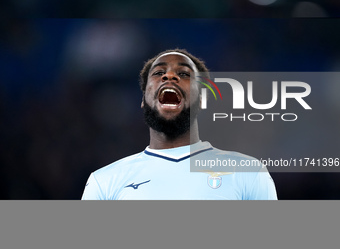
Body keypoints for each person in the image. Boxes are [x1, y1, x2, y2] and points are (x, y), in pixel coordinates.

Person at [81, 49, 277, 200]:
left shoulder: (248, 172)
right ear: (143, 99)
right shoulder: (104, 181)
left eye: (184, 74)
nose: (169, 76)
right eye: (158, 73)